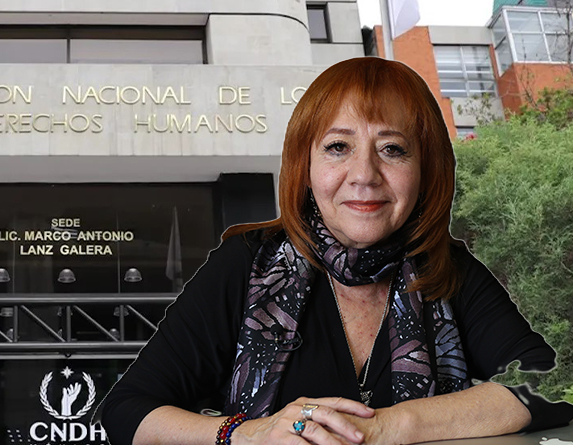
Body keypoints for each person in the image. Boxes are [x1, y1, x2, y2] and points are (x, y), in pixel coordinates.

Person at [95, 57, 573, 445]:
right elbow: (127, 411)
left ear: (426, 171)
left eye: (393, 149)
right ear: (305, 167)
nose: (364, 174)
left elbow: (551, 385)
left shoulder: (449, 268)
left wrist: (392, 425)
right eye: (338, 147)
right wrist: (246, 434)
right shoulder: (244, 263)